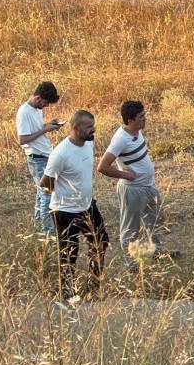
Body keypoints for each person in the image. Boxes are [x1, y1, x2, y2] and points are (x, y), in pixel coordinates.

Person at [41, 110, 108, 300]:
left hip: (87, 207)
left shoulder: (88, 142)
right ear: (75, 128)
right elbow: (45, 183)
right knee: (69, 254)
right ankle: (68, 296)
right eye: (89, 127)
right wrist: (65, 194)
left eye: (93, 126)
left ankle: (94, 288)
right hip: (64, 212)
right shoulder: (60, 154)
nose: (93, 130)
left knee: (100, 241)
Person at [97, 100, 165, 267]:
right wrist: (125, 175)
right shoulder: (120, 139)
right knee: (130, 229)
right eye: (141, 117)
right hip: (133, 190)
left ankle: (158, 252)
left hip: (149, 186)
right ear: (130, 120)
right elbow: (102, 166)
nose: (145, 119)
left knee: (157, 220)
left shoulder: (137, 131)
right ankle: (132, 265)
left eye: (144, 115)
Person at [16, 82, 63, 235]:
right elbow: (22, 139)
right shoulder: (24, 112)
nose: (46, 106)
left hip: (45, 154)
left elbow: (35, 129)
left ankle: (38, 227)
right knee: (47, 195)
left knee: (41, 193)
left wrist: (48, 125)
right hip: (37, 158)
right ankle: (48, 232)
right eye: (45, 102)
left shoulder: (36, 109)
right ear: (37, 97)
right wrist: (45, 129)